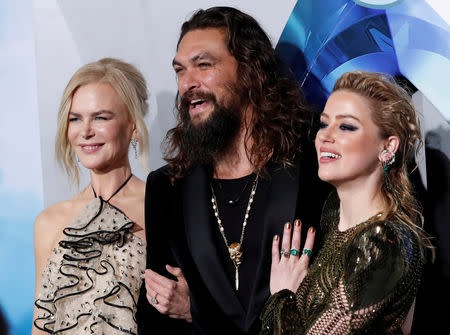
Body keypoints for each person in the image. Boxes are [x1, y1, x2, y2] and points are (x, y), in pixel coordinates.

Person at [138, 6, 329, 335]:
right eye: (180, 70)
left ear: (249, 70)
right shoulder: (166, 188)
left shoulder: (317, 160)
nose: (187, 83)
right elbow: (157, 320)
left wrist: (194, 309)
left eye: (203, 65)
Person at [260, 70, 434, 335]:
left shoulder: (383, 241)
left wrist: (282, 295)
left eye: (346, 126)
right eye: (324, 123)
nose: (324, 136)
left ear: (387, 147)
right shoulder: (332, 212)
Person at [33, 58, 150, 334]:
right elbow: (42, 324)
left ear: (133, 125)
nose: (85, 131)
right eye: (76, 118)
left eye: (100, 117)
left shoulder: (162, 207)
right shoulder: (49, 221)